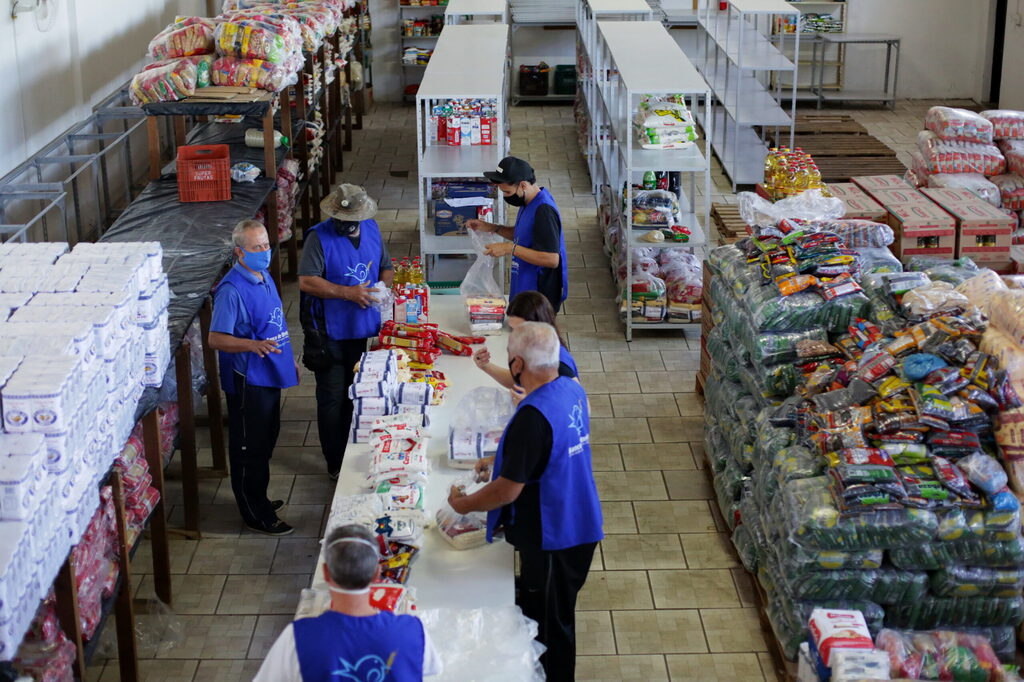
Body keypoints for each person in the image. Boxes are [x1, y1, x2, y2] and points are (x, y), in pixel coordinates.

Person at [447, 322, 603, 682]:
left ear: (517, 364)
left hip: (555, 535)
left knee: (552, 628)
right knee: (553, 611)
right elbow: (546, 453)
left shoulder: (532, 418)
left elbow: (506, 491)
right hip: (580, 517)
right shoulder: (569, 389)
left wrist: (464, 505)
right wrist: (502, 455)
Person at [253, 525, 442, 681]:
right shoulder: (412, 631)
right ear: (377, 574)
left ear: (326, 573)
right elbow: (432, 668)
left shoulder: (297, 638)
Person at [208, 220, 299, 536]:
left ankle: (257, 496)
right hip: (249, 379)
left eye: (266, 245)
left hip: (270, 371)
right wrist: (252, 345)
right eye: (256, 247)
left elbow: (274, 324)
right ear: (239, 252)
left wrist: (287, 359)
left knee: (268, 436)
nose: (265, 252)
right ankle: (254, 512)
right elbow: (217, 339)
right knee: (250, 447)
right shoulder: (230, 292)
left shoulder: (263, 277)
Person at [299, 184, 394, 480]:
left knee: (358, 394)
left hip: (363, 330)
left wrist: (383, 289)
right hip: (329, 332)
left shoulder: (373, 229)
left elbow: (386, 267)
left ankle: (356, 447)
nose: (347, 224)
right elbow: (307, 281)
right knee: (332, 398)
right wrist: (346, 293)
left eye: (352, 218)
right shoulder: (319, 237)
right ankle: (335, 460)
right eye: (341, 218)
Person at [467, 156, 568, 312]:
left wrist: (509, 249)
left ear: (522, 185)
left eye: (507, 191)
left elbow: (551, 259)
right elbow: (524, 234)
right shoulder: (529, 201)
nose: (506, 196)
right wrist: (492, 227)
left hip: (538, 299)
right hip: (525, 291)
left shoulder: (544, 210)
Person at [473, 291, 579, 405]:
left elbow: (580, 404)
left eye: (521, 330)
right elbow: (521, 379)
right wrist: (486, 366)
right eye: (513, 330)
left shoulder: (558, 361)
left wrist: (533, 402)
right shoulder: (536, 348)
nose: (515, 337)